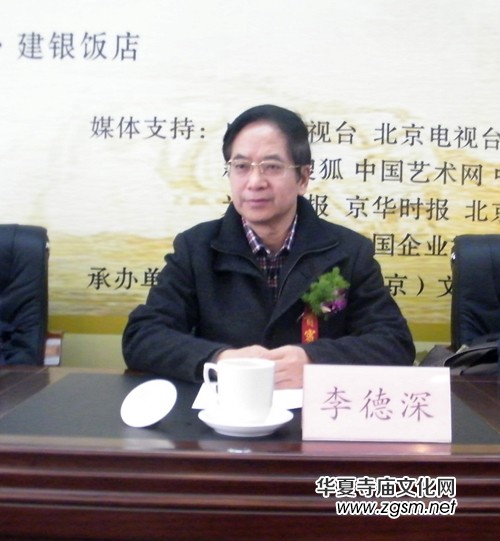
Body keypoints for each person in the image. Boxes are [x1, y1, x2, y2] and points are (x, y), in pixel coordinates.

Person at [122, 104, 415, 388]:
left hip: (312, 413)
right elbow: (143, 336)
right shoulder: (195, 248)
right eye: (241, 166)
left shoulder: (349, 252)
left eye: (272, 167)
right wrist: (220, 360)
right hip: (223, 411)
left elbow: (394, 342)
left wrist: (314, 361)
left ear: (303, 178)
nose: (254, 182)